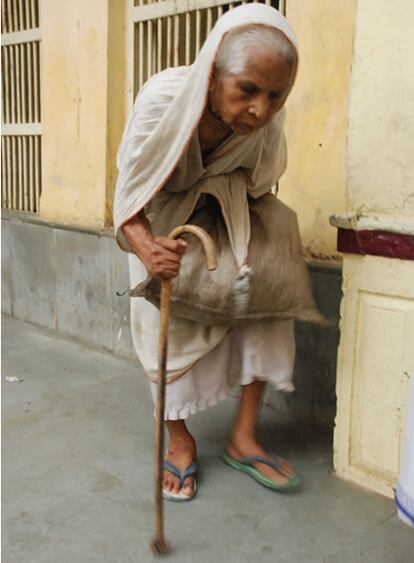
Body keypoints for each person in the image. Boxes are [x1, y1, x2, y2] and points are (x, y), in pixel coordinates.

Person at [114, 4, 301, 501]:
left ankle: (243, 437)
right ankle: (178, 442)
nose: (261, 110)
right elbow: (127, 197)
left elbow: (262, 181)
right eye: (247, 90)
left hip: (230, 206)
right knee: (162, 323)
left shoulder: (265, 123)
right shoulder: (162, 101)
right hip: (161, 218)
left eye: (276, 95)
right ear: (214, 72)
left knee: (268, 296)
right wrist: (147, 248)